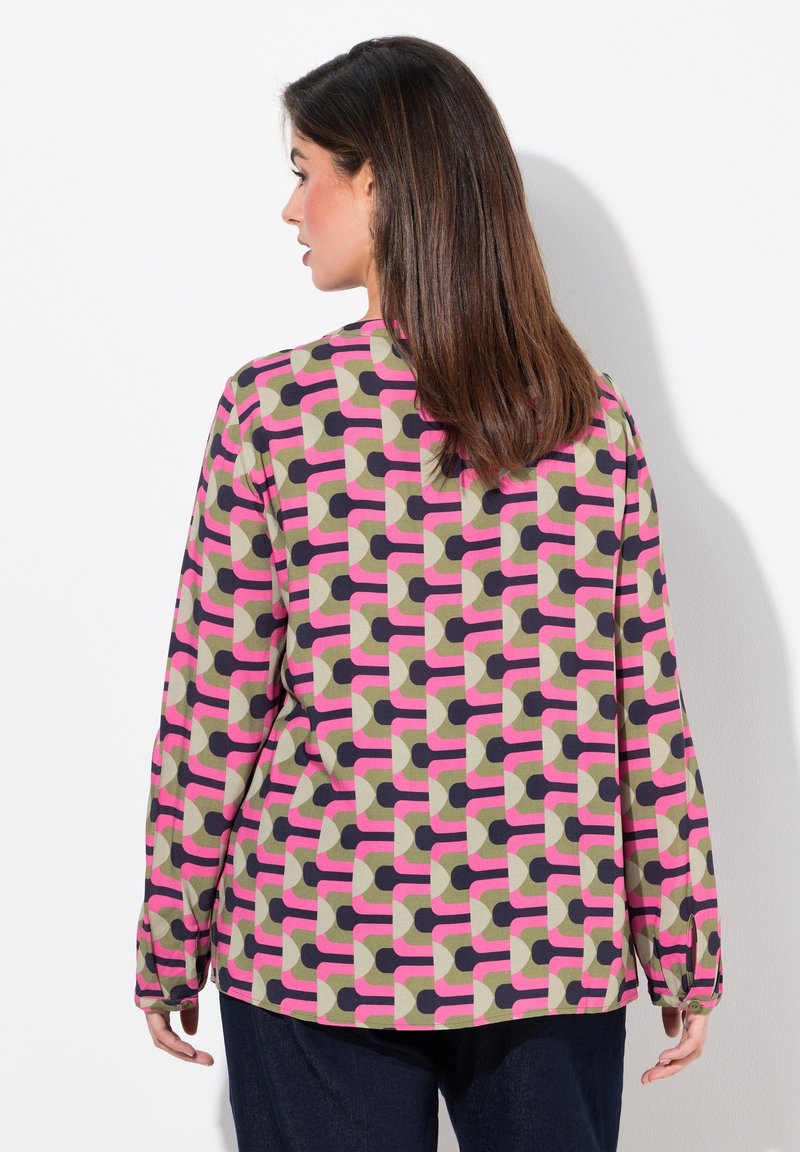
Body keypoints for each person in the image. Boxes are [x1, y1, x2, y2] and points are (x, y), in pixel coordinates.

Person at [134, 34, 723, 1152]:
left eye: (306, 169)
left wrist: (171, 936)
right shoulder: (588, 424)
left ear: (381, 183)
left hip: (318, 940)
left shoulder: (275, 413)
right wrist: (683, 940)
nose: (290, 207)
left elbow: (214, 707)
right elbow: (641, 708)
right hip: (544, 938)